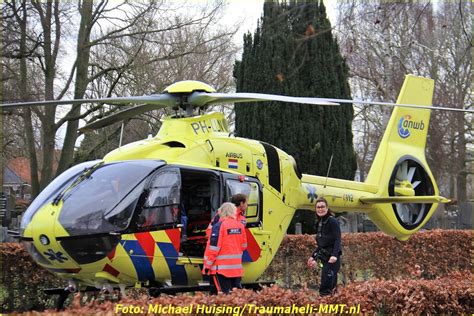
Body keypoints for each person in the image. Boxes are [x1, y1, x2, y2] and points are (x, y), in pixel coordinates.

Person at [202, 202, 247, 294]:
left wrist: (207, 266)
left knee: (222, 297)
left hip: (221, 270)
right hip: (236, 269)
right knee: (235, 297)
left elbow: (214, 249)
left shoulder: (219, 226)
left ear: (221, 212)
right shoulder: (240, 226)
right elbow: (244, 246)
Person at [307, 197, 342, 296]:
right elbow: (321, 245)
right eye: (318, 207)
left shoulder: (332, 221)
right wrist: (312, 256)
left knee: (327, 285)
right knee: (329, 284)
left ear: (327, 208)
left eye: (322, 207)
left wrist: (334, 255)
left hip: (332, 258)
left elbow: (337, 239)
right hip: (324, 257)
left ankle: (325, 307)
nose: (320, 209)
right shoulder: (320, 222)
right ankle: (331, 306)